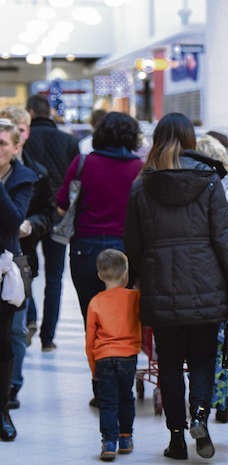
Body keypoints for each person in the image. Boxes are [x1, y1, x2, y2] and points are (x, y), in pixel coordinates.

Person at [125, 113, 228, 461]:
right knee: (202, 360)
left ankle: (176, 436)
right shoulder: (209, 181)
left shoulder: (142, 185)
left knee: (168, 364)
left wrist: (139, 276)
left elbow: (132, 243)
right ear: (190, 139)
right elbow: (225, 239)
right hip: (206, 283)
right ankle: (201, 418)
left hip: (160, 282)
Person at [57, 111, 142, 407]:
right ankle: (123, 387)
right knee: (127, 322)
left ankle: (101, 388)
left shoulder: (83, 164)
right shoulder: (139, 169)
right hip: (126, 252)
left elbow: (61, 203)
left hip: (86, 250)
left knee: (92, 321)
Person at [0, 107, 55, 410]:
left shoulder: (32, 174)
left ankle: (11, 389)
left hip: (16, 260)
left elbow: (41, 213)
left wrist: (32, 225)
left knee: (14, 332)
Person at [196, 134, 228, 424]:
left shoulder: (188, 186)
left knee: (200, 343)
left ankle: (200, 400)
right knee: (226, 340)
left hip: (195, 275)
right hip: (225, 275)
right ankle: (224, 400)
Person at [24, 94, 79, 352]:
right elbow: (76, 183)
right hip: (59, 216)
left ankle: (30, 317)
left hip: (28, 216)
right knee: (55, 277)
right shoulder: (69, 141)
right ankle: (48, 338)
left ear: (31, 112)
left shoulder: (23, 140)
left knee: (23, 270)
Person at [85, 249, 141, 461]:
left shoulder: (95, 302)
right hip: (128, 356)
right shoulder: (134, 298)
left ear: (100, 275)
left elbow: (90, 339)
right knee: (126, 397)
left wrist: (94, 368)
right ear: (125, 273)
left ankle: (109, 442)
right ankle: (125, 437)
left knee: (107, 401)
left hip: (103, 357)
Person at [0, 118, 36, 441]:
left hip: (5, 266)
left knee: (6, 340)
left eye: (2, 144)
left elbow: (13, 221)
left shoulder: (24, 178)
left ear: (14, 148)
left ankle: (3, 410)